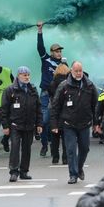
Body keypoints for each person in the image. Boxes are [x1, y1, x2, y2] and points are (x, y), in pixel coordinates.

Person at [50, 61, 98, 184]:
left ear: (83, 71)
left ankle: (79, 167)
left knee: (84, 149)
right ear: (71, 71)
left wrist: (96, 123)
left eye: (80, 71)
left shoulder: (90, 85)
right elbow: (55, 106)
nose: (78, 73)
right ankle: (73, 174)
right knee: (71, 150)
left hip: (84, 123)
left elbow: (96, 106)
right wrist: (54, 124)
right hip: (68, 124)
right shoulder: (64, 86)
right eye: (76, 71)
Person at [1, 66, 42, 182]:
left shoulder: (33, 89)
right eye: (24, 75)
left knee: (27, 149)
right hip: (15, 125)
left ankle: (24, 171)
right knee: (15, 147)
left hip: (29, 125)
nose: (27, 77)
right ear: (18, 75)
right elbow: (4, 109)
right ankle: (14, 172)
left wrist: (39, 124)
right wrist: (5, 126)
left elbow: (38, 108)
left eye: (28, 75)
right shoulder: (10, 90)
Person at [36, 21, 63, 157]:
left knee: (56, 121)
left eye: (60, 51)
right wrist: (40, 31)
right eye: (57, 51)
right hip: (46, 94)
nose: (59, 53)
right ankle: (44, 145)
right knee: (45, 120)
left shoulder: (64, 64)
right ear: (52, 52)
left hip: (58, 96)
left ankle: (54, 145)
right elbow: (40, 47)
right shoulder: (46, 59)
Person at [48, 61, 70, 164]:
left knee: (54, 136)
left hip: (54, 112)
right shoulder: (68, 84)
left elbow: (51, 97)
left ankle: (55, 157)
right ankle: (65, 158)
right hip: (66, 112)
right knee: (66, 136)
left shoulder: (52, 84)